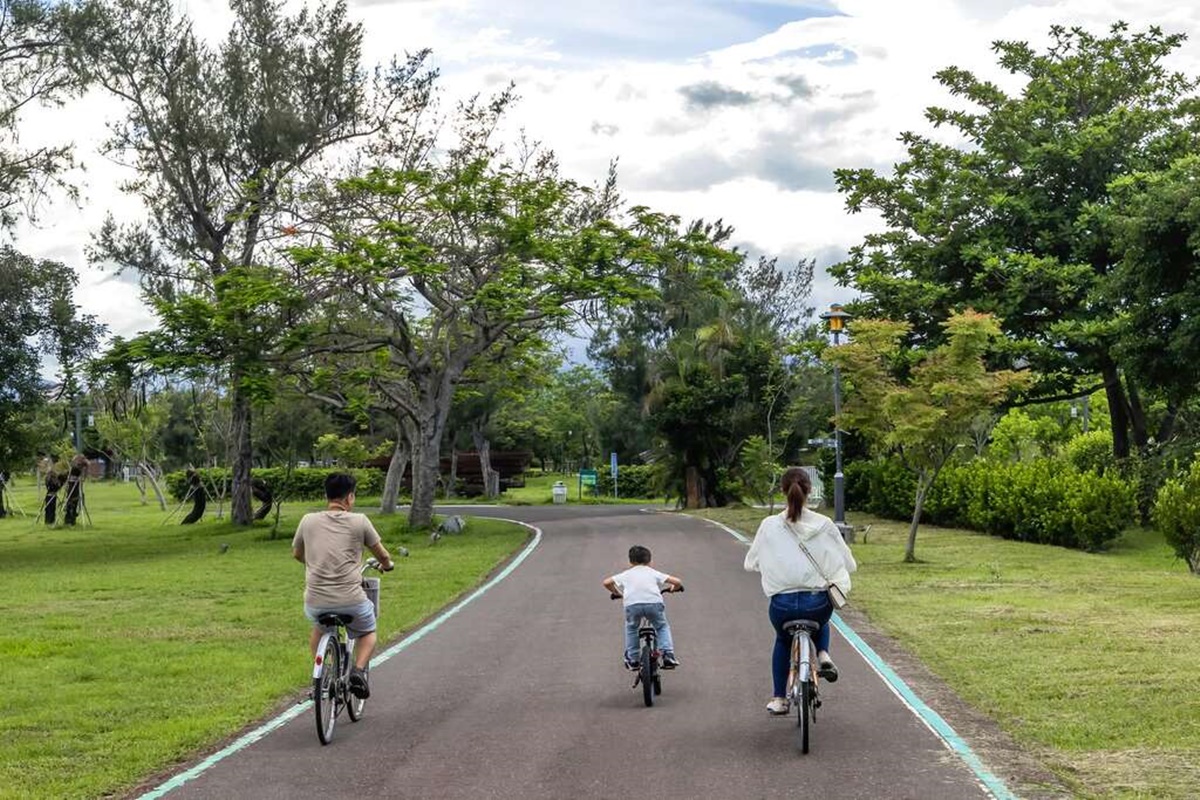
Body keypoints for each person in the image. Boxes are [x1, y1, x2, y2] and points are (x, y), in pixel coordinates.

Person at [744, 467, 857, 715]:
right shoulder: (824, 524)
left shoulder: (769, 525)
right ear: (809, 490)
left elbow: (750, 563)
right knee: (821, 619)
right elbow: (849, 563)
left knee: (783, 640)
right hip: (817, 604)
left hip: (782, 606)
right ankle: (823, 654)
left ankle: (779, 698)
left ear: (783, 490)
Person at [292, 472, 394, 699]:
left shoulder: (307, 520)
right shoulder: (360, 521)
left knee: (319, 628)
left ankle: (324, 672)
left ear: (326, 495)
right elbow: (382, 555)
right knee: (368, 630)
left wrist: (315, 564)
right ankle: (357, 671)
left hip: (315, 601)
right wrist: (387, 565)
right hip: (351, 600)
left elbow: (297, 553)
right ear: (350, 497)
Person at [603, 545, 683, 670]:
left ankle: (633, 659)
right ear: (650, 561)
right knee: (661, 626)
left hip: (632, 605)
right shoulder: (653, 572)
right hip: (654, 603)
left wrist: (618, 593)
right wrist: (673, 589)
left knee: (631, 628)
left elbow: (606, 582)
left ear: (630, 562)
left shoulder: (626, 574)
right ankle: (668, 655)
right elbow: (677, 581)